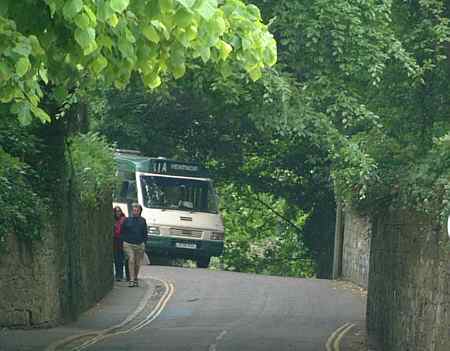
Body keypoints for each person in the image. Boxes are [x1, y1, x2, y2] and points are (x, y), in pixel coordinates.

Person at [121, 203, 148, 287]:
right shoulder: (127, 220)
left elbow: (145, 233)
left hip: (139, 244)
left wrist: (144, 242)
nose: (135, 212)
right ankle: (131, 280)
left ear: (140, 211)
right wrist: (124, 240)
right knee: (131, 260)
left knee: (137, 263)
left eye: (137, 210)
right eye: (134, 210)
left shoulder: (142, 221)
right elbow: (122, 231)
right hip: (128, 244)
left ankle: (135, 278)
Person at [113, 206, 130, 282]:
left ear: (121, 212)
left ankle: (128, 276)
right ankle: (118, 275)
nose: (118, 213)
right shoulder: (113, 220)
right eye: (116, 211)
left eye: (119, 211)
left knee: (126, 258)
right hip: (116, 241)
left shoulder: (124, 220)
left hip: (124, 240)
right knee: (117, 259)